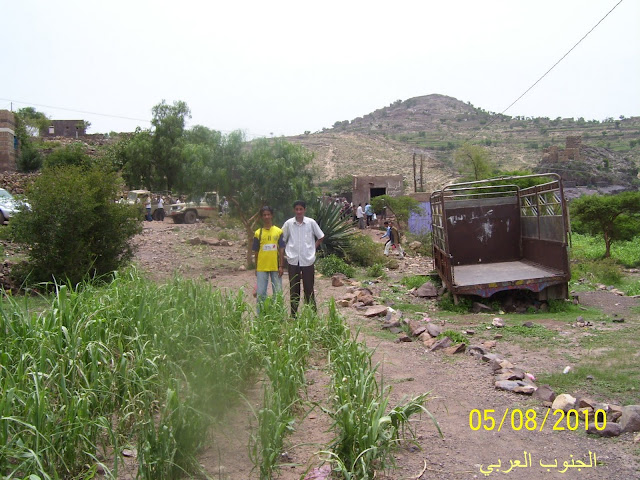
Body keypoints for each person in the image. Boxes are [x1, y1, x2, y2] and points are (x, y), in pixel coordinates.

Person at [282, 200, 324, 316]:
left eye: (301, 209)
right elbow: (282, 239)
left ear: (305, 210)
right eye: (297, 209)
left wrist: (313, 248)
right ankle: (293, 314)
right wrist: (287, 251)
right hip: (293, 260)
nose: (299, 211)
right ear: (294, 210)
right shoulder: (289, 224)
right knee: (294, 288)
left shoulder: (311, 223)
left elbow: (321, 236)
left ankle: (311, 314)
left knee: (309, 288)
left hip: (307, 260)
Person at [252, 206, 285, 313]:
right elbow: (256, 252)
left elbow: (281, 250)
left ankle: (278, 315)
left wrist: (281, 266)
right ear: (262, 217)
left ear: (272, 215)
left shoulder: (278, 231)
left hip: (275, 267)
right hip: (262, 267)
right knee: (261, 293)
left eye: (268, 214)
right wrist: (256, 268)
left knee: (278, 293)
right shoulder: (258, 233)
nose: (266, 217)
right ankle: (260, 316)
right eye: (264, 215)